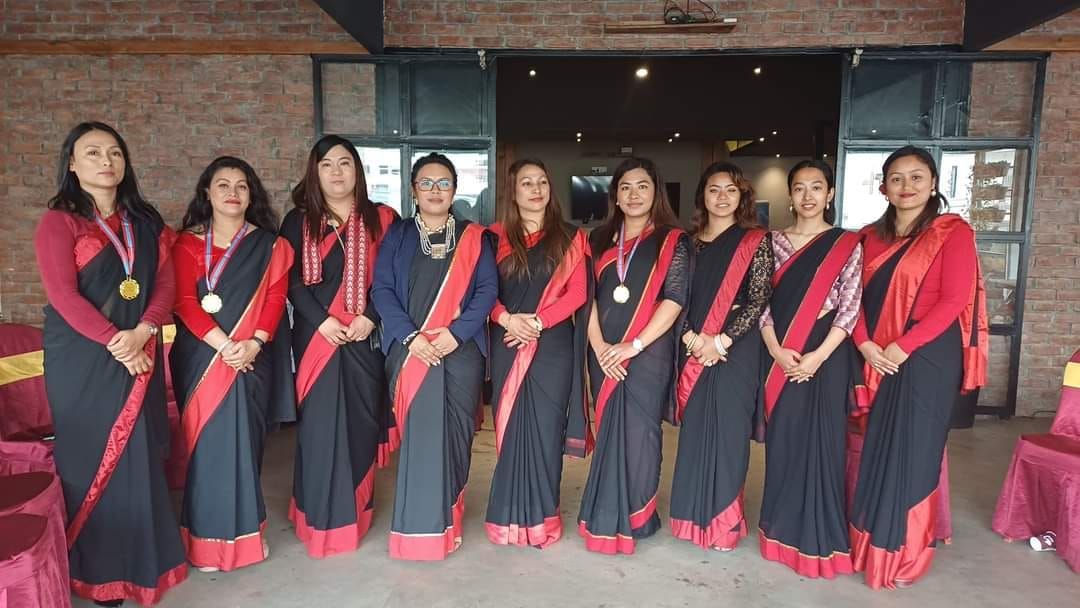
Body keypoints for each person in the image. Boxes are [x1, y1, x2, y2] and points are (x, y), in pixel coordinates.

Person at [34, 122, 186, 606]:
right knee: (90, 455)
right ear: (72, 164)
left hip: (139, 346)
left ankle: (143, 565)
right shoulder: (59, 222)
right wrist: (116, 341)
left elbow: (166, 283)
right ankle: (97, 572)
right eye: (93, 152)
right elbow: (63, 295)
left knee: (138, 453)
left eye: (115, 152)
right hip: (82, 357)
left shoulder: (145, 222)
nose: (106, 161)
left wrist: (144, 330)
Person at [849, 146, 987, 589]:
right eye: (896, 178)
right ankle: (871, 546)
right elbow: (852, 299)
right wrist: (865, 343)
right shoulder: (868, 238)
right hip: (875, 353)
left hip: (926, 356)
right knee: (877, 447)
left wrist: (904, 346)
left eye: (916, 177)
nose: (906, 186)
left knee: (916, 451)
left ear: (933, 184)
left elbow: (954, 300)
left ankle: (906, 553)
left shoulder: (952, 233)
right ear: (883, 187)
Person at [371, 153, 498, 560]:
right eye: (426, 183)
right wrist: (411, 337)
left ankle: (449, 521)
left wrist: (456, 334)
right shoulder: (398, 236)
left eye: (444, 183)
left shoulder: (475, 237)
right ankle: (417, 528)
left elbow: (487, 291)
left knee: (457, 437)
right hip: (411, 351)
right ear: (413, 190)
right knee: (421, 437)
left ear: (455, 190)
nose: (435, 190)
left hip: (459, 352)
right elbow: (381, 290)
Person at [169, 156, 293, 572]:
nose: (233, 193)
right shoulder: (186, 244)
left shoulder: (272, 246)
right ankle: (204, 543)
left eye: (242, 186)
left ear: (251, 195)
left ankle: (245, 537)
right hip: (202, 358)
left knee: (246, 445)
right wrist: (225, 345)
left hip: (252, 359)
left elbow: (276, 298)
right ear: (207, 192)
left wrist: (254, 343)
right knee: (206, 448)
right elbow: (184, 302)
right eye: (223, 185)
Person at [280, 135, 398, 558]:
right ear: (315, 171)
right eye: (326, 163)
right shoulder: (298, 221)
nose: (336, 171)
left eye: (344, 162)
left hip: (365, 339)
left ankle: (354, 517)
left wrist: (371, 316)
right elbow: (291, 280)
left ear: (357, 170)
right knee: (318, 430)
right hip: (317, 339)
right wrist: (323, 321)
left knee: (360, 425)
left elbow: (394, 278)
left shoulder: (383, 218)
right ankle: (316, 518)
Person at [577, 157, 690, 555]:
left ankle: (639, 515)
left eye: (642, 186)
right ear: (615, 195)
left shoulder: (673, 240)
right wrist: (599, 347)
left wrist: (634, 345)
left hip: (647, 353)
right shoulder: (598, 239)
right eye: (625, 187)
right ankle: (605, 510)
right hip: (603, 353)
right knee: (610, 427)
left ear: (656, 192)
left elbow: (675, 298)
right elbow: (586, 298)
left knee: (642, 433)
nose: (634, 194)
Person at [757, 160, 863, 578]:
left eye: (816, 187)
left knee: (824, 443)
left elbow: (851, 306)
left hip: (827, 357)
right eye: (799, 187)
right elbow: (760, 301)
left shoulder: (846, 243)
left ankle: (819, 535)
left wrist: (818, 356)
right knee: (783, 441)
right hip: (780, 354)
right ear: (790, 194)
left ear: (830, 193)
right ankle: (779, 531)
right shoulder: (771, 242)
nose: (807, 196)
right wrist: (775, 349)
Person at [484, 159, 591, 549]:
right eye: (526, 183)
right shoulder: (493, 237)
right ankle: (507, 520)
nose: (535, 189)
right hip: (507, 342)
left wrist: (539, 322)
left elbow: (578, 294)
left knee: (546, 431)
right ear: (513, 192)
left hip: (553, 348)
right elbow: (481, 292)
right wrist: (506, 319)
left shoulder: (571, 238)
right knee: (511, 428)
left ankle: (542, 519)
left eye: (542, 182)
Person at [669, 162, 772, 552]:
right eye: (714, 189)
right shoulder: (686, 243)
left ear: (742, 196)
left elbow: (759, 298)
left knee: (729, 435)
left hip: (736, 352)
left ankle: (724, 525)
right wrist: (693, 339)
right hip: (693, 347)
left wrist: (722, 341)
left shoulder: (755, 241)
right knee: (695, 434)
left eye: (731, 189)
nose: (722, 197)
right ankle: (692, 519)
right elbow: (674, 297)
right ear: (703, 196)